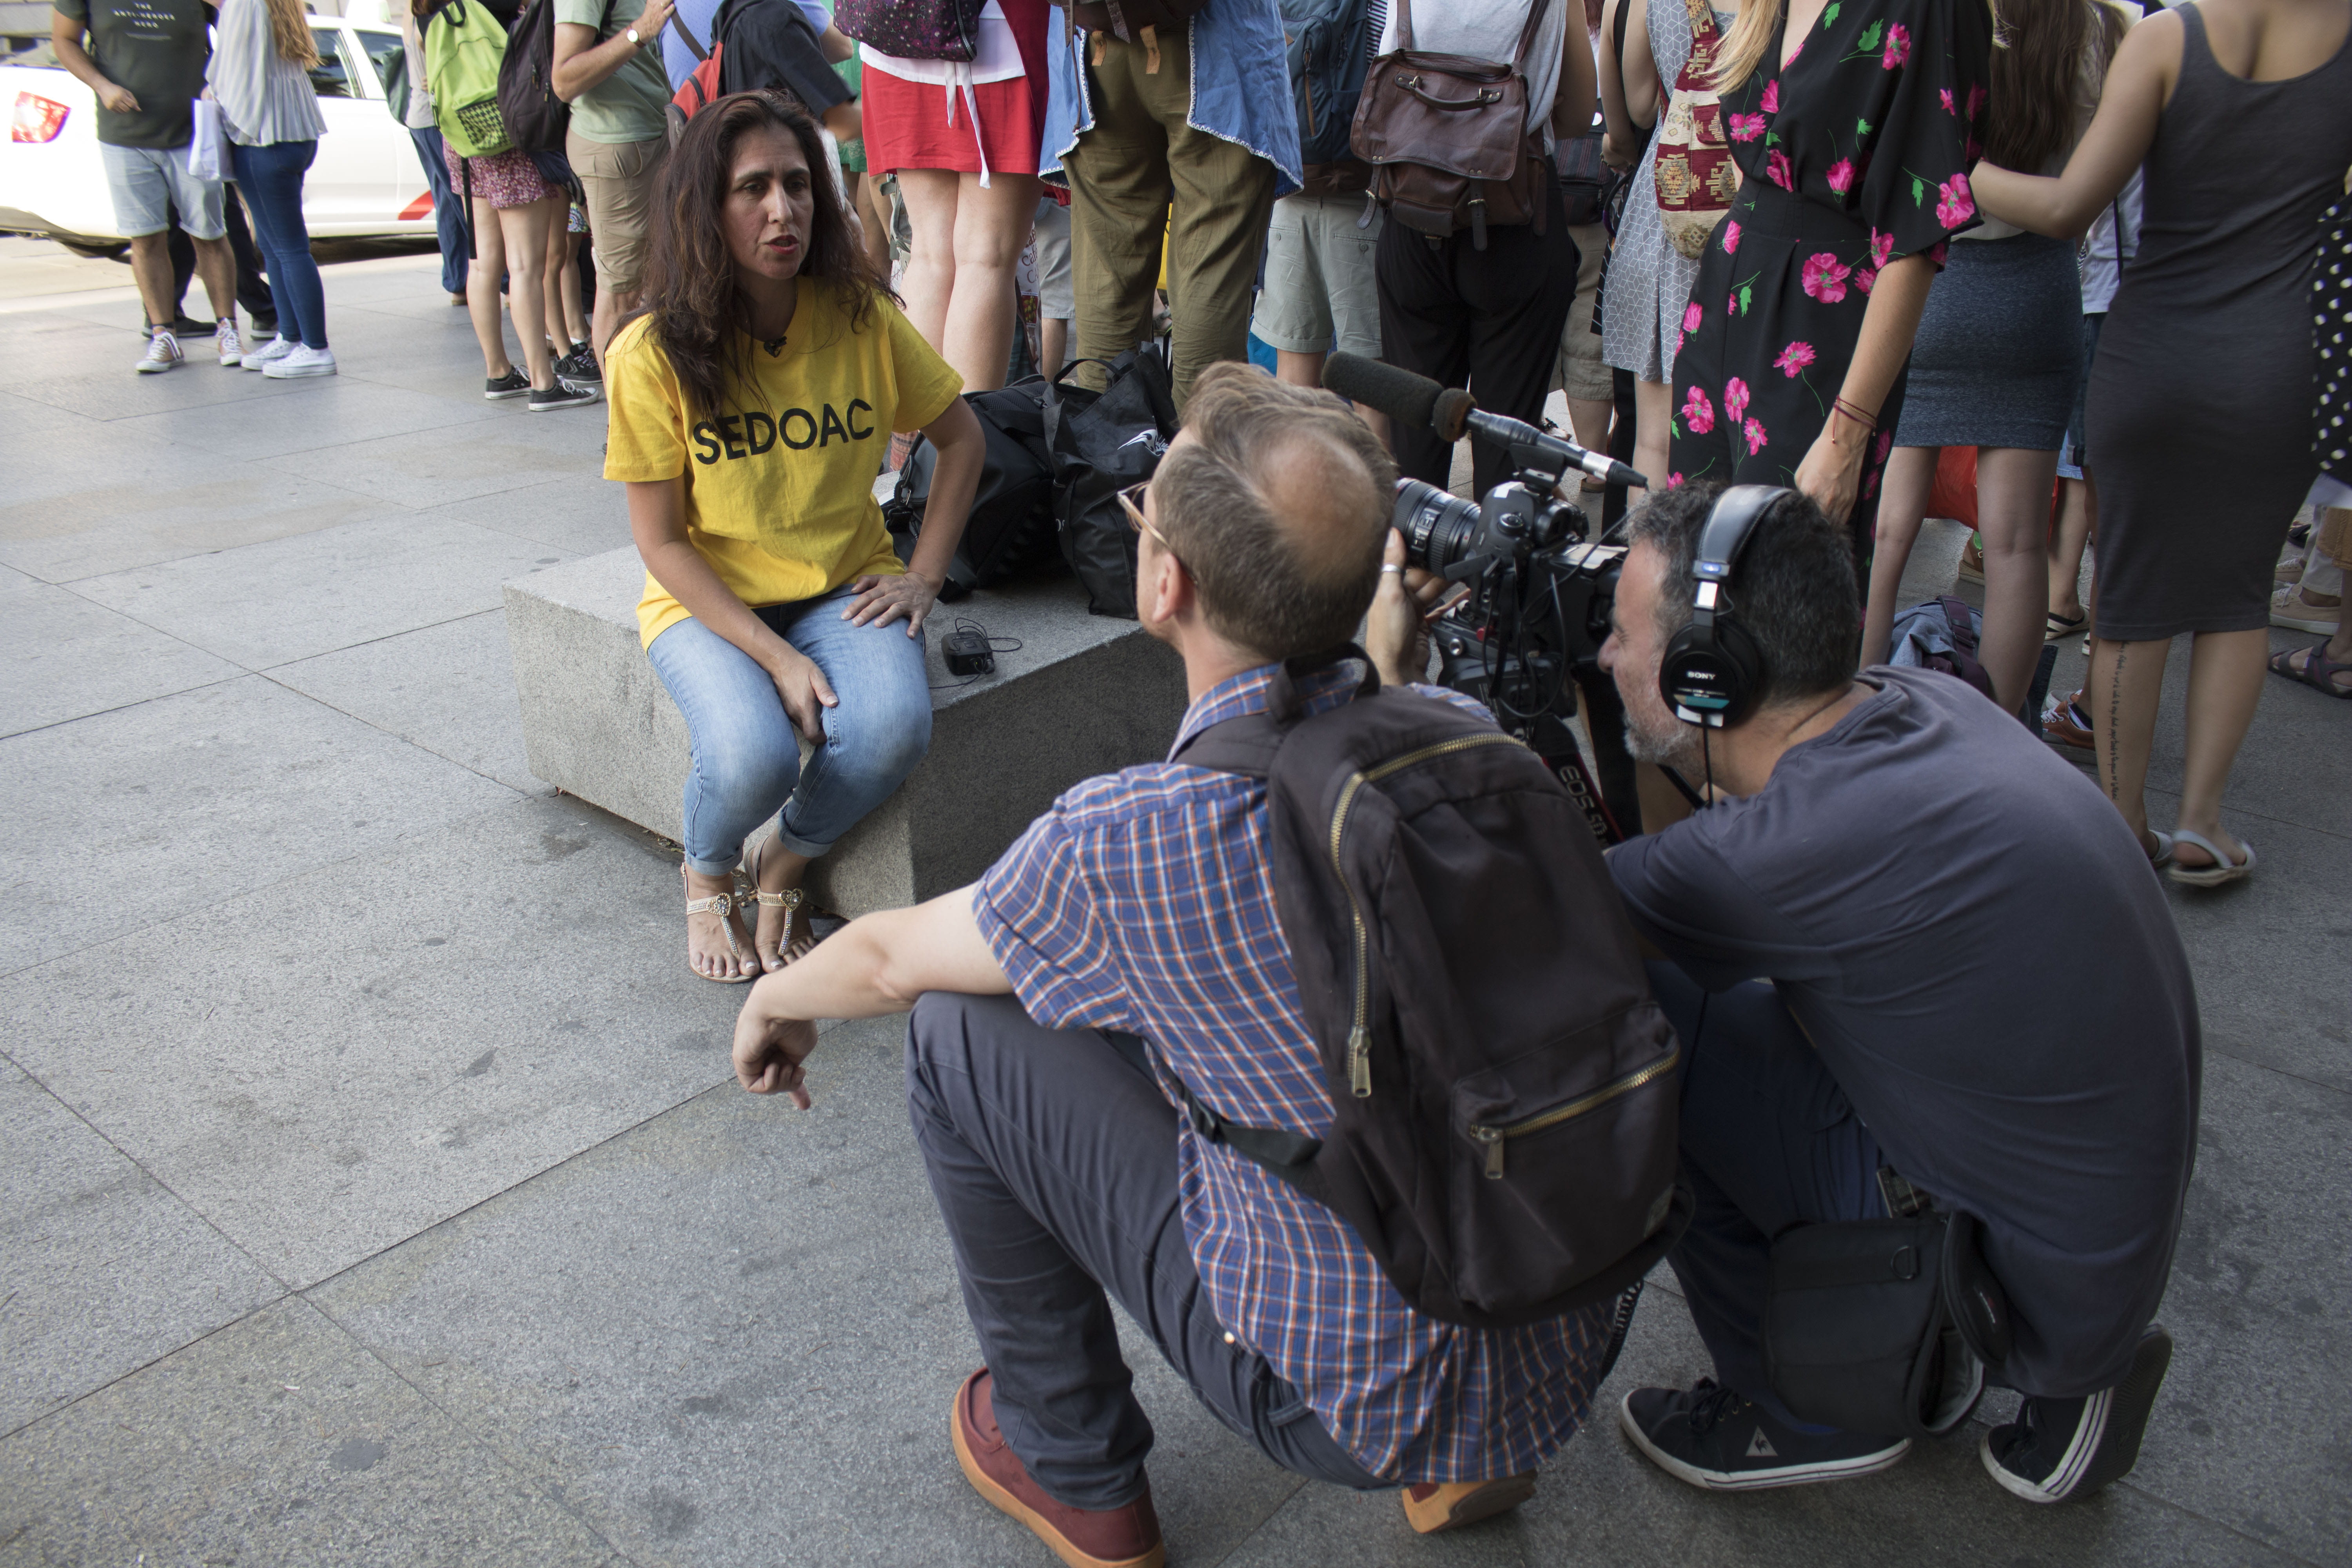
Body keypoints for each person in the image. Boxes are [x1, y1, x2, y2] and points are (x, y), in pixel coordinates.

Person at [726, 367, 1631, 1568]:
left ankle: (1074, 1468)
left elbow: (891, 957)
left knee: (959, 1028)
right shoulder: (1474, 738)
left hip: (1338, 1395)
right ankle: (1468, 1454)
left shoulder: (1133, 839)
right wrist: (1386, 659)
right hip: (1562, 1318)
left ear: (1164, 583)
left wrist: (773, 993)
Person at [1565, 481, 2196, 1502]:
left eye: (1626, 638)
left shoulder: (1785, 852)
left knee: (1648, 1027)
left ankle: (1806, 1407)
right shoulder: (1920, 701)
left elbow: (1542, 921)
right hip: (2095, 1236)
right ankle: (2031, 1348)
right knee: (1755, 1005)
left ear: (1708, 674)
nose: (1604, 658)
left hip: (2019, 1286)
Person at [605, 92, 985, 982]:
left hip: (841, 581)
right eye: (751, 190)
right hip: (709, 599)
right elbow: (660, 543)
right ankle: (707, 870)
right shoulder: (651, 354)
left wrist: (924, 577)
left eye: (797, 184)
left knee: (892, 725)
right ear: (706, 207)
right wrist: (775, 659)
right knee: (753, 754)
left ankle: (786, 858)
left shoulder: (857, 316)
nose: (783, 210)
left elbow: (964, 440)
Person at [1971, 0, 2352, 883]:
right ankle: (2204, 828)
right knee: (2238, 593)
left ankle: (2121, 822)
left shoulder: (2167, 35)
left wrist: (1958, 172)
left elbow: (2068, 206)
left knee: (2132, 599)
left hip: (2157, 352)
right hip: (2285, 359)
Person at [1858, 0, 2128, 716]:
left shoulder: (1941, 14)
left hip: (1927, 278)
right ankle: (2002, 739)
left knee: (1889, 527)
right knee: (2013, 546)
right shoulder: (2100, 26)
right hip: (2039, 294)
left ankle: (1850, 710)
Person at [1666, 0, 1993, 570]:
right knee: (1687, 579)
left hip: (1822, 325)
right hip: (1724, 303)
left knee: (1780, 599)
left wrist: (1847, 436)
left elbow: (1915, 235)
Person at [1375, 0, 1600, 497]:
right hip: (1514, 214)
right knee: (1508, 440)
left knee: (1415, 438)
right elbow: (1580, 114)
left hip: (1414, 210)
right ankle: (1498, 570)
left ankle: (1413, 562)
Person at [1049, 0, 1298, 409]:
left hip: (1095, 48)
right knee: (1210, 272)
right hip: (1216, 45)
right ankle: (1198, 455)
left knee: (1107, 274)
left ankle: (1106, 455)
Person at [860, 0, 1046, 394]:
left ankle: (917, 448)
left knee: (929, 253)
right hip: (999, 38)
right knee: (986, 257)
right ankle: (969, 448)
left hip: (897, 31)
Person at [53, 0, 243, 373]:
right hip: (124, 134)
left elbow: (240, 32)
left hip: (193, 132)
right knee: (145, 238)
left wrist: (220, 84)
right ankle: (164, 336)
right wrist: (102, 85)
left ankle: (228, 329)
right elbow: (64, 40)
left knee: (209, 233)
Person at [1599, 0, 1737, 506]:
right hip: (1748, 221)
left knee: (1654, 442)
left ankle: (1651, 579)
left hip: (1666, 219)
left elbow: (1637, 106)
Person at [1250, 0, 1389, 441]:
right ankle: (1379, 507)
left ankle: (1293, 503)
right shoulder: (1382, 7)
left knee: (1293, 377)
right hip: (1361, 201)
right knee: (1370, 383)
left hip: (1290, 191)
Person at [207, 0, 334, 378]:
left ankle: (314, 346)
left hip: (263, 138)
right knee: (277, 247)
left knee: (287, 249)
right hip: (291, 133)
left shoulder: (242, 6)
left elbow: (233, 79)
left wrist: (220, 113)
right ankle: (293, 337)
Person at [554, 0, 677, 363]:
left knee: (652, 284)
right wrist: (641, 30)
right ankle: (620, 418)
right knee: (620, 290)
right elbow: (564, 80)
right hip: (618, 146)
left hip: (649, 139)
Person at [397, 0, 470, 305]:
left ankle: (457, 282)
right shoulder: (434, 12)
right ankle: (502, 281)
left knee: (447, 199)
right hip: (436, 118)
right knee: (462, 199)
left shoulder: (411, 10)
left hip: (420, 116)